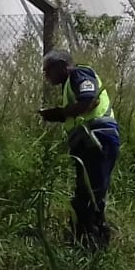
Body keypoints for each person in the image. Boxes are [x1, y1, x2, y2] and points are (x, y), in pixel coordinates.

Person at [39, 49, 121, 249]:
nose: (46, 75)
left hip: (96, 138)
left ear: (61, 65)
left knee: (90, 195)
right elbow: (78, 109)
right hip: (89, 140)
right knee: (88, 193)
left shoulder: (79, 74)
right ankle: (88, 242)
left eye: (48, 70)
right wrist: (59, 115)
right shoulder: (69, 84)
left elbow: (90, 100)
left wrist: (60, 112)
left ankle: (92, 243)